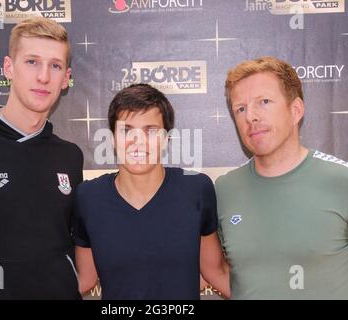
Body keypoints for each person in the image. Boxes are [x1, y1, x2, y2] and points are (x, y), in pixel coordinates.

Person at [0, 17, 83, 299]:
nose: (44, 76)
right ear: (9, 68)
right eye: (32, 62)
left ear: (66, 77)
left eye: (55, 66)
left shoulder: (70, 156)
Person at [73, 83, 230, 300]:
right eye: (126, 131)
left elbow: (217, 272)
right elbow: (85, 279)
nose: (138, 142)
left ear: (166, 139)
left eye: (151, 131)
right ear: (112, 139)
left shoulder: (196, 189)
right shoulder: (89, 197)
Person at [216, 56, 348, 299]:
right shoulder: (224, 189)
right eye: (241, 109)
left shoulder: (342, 181)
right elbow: (218, 269)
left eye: (264, 102)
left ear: (296, 110)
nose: (251, 117)